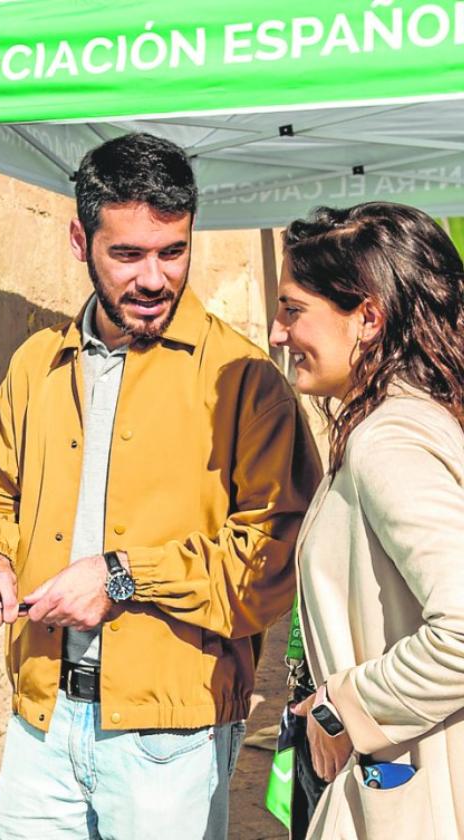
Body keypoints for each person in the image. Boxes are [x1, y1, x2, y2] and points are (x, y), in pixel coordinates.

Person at [0, 131, 322, 839]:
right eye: (127, 254)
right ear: (78, 240)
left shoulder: (248, 383)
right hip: (39, 719)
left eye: (173, 251)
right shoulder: (36, 363)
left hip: (171, 737)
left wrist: (122, 577)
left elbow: (272, 564)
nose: (154, 277)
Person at [269, 202, 464, 838]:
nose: (277, 332)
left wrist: (343, 709)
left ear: (369, 318)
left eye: (293, 309)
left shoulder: (390, 442)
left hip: (415, 792)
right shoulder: (405, 420)